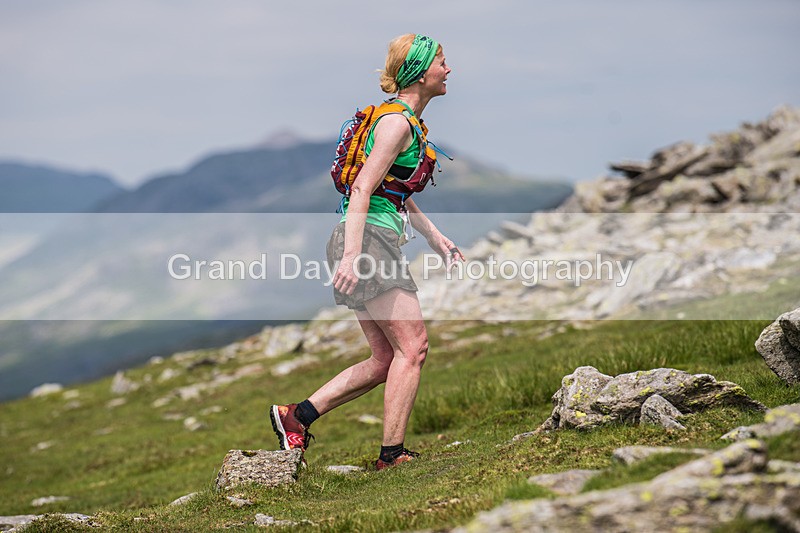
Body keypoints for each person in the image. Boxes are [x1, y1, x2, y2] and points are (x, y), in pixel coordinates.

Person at [270, 33, 463, 470]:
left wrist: (435, 237)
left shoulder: (401, 121)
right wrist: (354, 255)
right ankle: (392, 456)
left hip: (363, 236)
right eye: (442, 63)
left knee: (385, 359)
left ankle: (295, 416)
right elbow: (361, 188)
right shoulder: (396, 124)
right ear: (420, 71)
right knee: (412, 348)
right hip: (367, 241)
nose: (448, 70)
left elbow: (392, 192)